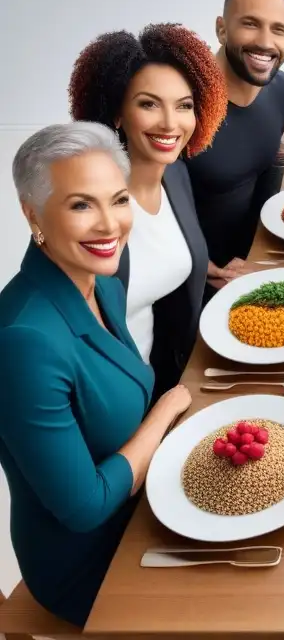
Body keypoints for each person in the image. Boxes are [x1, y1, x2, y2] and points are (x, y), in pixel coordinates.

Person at [0, 122, 192, 626]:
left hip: (143, 509)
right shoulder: (24, 341)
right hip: (89, 562)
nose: (110, 225)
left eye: (119, 199)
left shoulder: (100, 280)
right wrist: (167, 410)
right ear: (32, 213)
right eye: (82, 205)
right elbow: (84, 506)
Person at [68, 23, 227, 396]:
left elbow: (157, 253)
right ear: (117, 113)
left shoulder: (175, 175)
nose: (170, 123)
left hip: (162, 382)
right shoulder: (87, 212)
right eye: (149, 104)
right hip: (104, 401)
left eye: (184, 105)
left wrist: (203, 265)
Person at [183, 0, 284, 292]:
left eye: (278, 30)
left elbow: (262, 164)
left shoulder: (282, 92)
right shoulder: (180, 109)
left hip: (253, 266)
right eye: (250, 24)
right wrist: (202, 268)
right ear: (221, 29)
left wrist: (260, 256)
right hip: (190, 285)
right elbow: (135, 207)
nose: (265, 42)